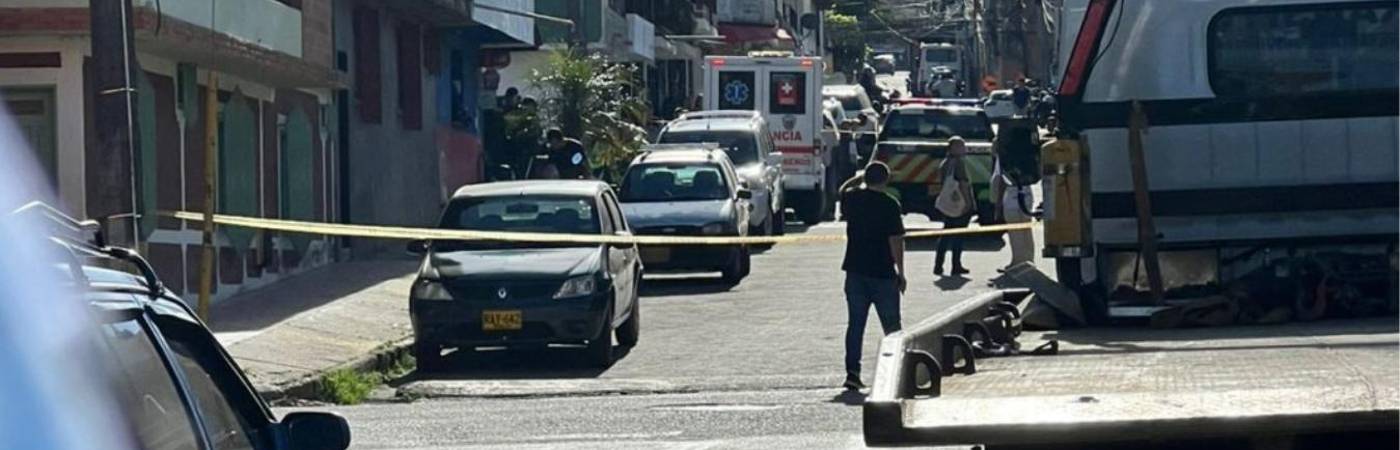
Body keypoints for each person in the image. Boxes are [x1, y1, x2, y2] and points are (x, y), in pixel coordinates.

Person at [838, 161, 907, 391]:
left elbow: (842, 190)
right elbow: (895, 240)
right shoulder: (890, 205)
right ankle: (898, 370)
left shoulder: (853, 200)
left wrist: (859, 178)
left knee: (856, 325)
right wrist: (901, 271)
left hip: (855, 271)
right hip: (883, 273)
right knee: (892, 326)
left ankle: (852, 372)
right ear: (886, 180)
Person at [934, 137, 977, 276]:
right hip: (959, 203)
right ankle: (956, 265)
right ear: (952, 148)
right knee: (958, 235)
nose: (964, 149)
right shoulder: (958, 163)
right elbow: (963, 184)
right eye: (960, 146)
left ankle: (938, 265)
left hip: (948, 203)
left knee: (946, 233)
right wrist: (968, 202)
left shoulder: (945, 163)